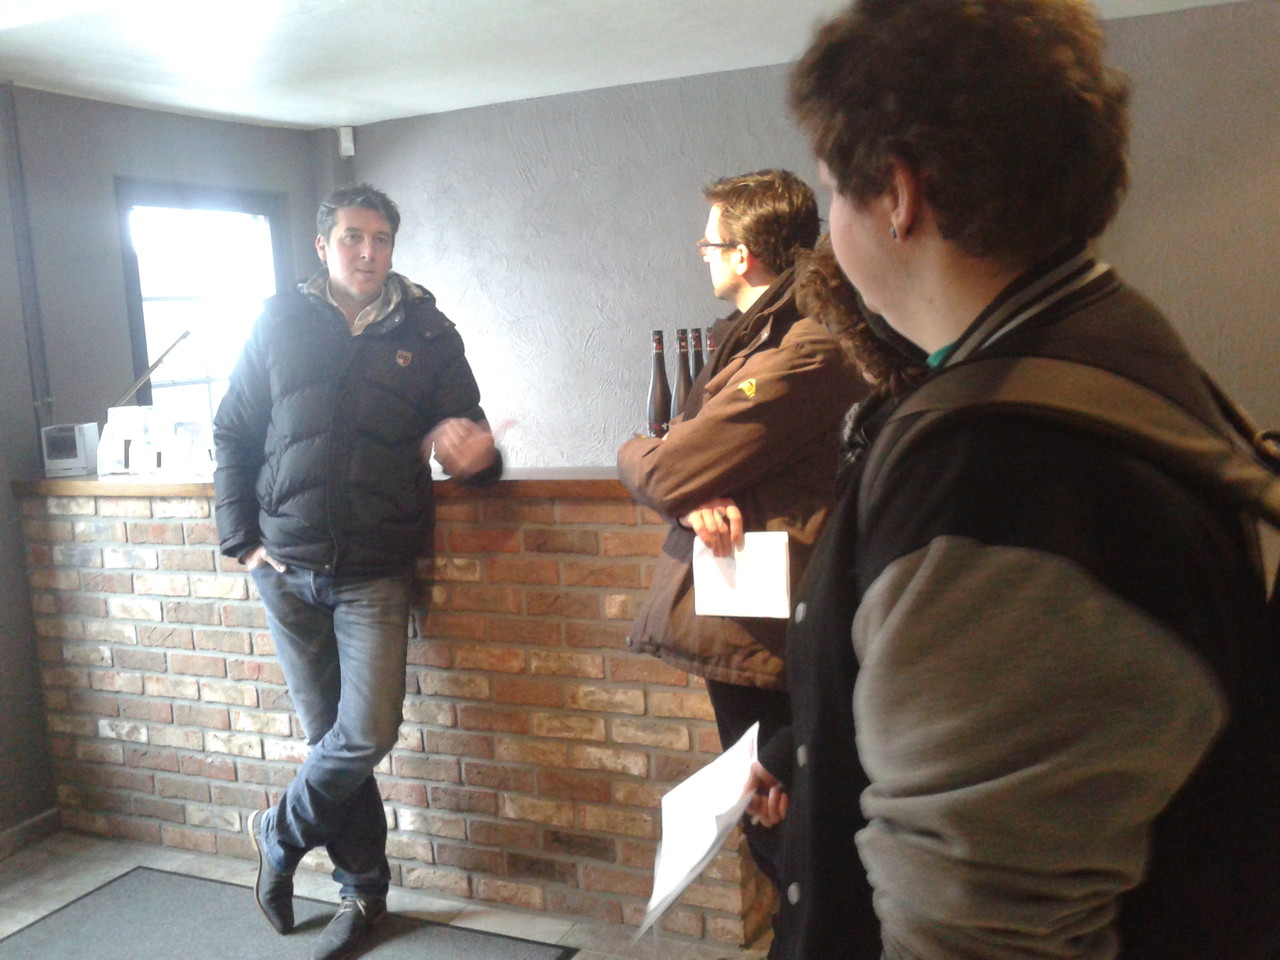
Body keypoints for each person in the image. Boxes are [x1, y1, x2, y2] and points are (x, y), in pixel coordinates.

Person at [745, 2, 1280, 958]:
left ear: (898, 193)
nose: (831, 233)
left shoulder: (996, 471)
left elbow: (979, 938)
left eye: (832, 194)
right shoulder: (1113, 342)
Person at [213, 183, 501, 960]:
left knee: (365, 732)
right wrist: (241, 541)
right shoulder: (278, 319)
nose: (368, 252)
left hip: (374, 568)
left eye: (381, 239)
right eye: (352, 237)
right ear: (323, 244)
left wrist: (479, 457)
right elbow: (234, 430)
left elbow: (468, 432)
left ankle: (277, 834)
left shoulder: (428, 332)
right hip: (285, 566)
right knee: (330, 743)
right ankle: (364, 892)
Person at [617, 170, 865, 948]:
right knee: (770, 824)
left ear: (747, 254)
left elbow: (660, 461)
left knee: (789, 835)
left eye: (709, 243)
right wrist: (688, 497)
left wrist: (664, 471)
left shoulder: (806, 345)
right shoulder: (749, 335)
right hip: (743, 610)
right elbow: (678, 462)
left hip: (770, 626)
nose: (703, 255)